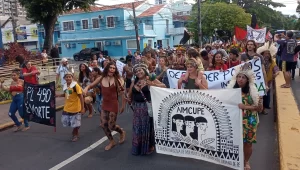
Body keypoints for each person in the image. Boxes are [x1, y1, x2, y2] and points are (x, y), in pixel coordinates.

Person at [83, 61, 126, 151]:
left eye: (114, 68)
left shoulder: (117, 79)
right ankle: (111, 141)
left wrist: (123, 105)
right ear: (107, 69)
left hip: (113, 103)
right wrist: (86, 88)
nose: (112, 69)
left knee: (111, 126)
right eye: (110, 68)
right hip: (105, 103)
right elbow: (91, 85)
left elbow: (122, 93)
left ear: (115, 70)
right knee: (103, 124)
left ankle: (121, 132)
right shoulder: (101, 78)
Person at [227, 63, 262, 170]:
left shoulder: (253, 90)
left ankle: (246, 162)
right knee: (234, 142)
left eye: (243, 77)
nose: (240, 79)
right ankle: (235, 160)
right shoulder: (231, 90)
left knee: (248, 143)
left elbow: (259, 108)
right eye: (239, 77)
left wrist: (245, 107)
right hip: (235, 121)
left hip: (250, 121)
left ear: (247, 80)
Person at [126, 62, 166, 155]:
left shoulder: (150, 78)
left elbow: (163, 86)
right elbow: (130, 94)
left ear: (144, 71)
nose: (138, 72)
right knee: (137, 128)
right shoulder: (134, 81)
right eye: (136, 71)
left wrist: (151, 84)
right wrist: (128, 99)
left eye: (140, 70)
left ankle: (149, 146)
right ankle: (137, 147)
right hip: (137, 108)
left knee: (147, 127)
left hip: (147, 107)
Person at [56, 72, 84, 142]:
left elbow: (81, 97)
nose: (68, 78)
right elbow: (66, 94)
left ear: (72, 77)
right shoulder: (65, 85)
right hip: (67, 107)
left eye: (69, 77)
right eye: (67, 77)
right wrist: (58, 95)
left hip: (75, 107)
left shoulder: (75, 86)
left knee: (75, 123)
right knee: (64, 121)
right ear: (64, 78)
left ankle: (75, 134)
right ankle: (76, 129)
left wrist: (82, 108)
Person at [257, 42, 279, 115]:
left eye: (268, 54)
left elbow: (276, 68)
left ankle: (264, 109)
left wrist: (276, 73)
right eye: (265, 53)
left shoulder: (272, 62)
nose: (267, 55)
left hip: (268, 82)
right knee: (259, 96)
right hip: (259, 81)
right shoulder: (258, 61)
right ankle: (258, 108)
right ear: (262, 54)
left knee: (267, 96)